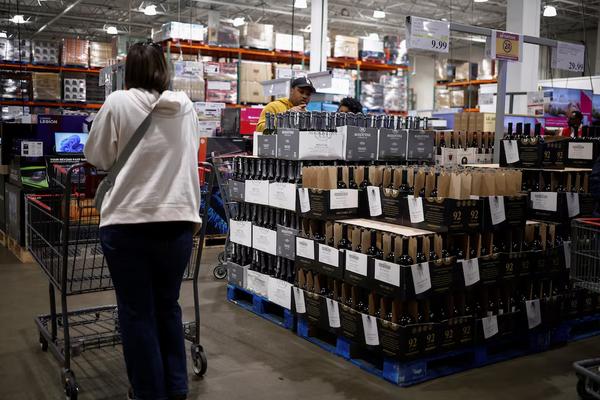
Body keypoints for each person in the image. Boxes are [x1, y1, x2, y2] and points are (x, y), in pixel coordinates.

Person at [84, 41, 200, 400]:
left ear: (127, 71)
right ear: (164, 69)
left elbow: (98, 156)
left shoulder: (119, 102)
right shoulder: (186, 107)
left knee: (136, 312)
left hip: (128, 222)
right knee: (168, 305)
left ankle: (149, 391)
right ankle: (176, 386)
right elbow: (190, 152)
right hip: (178, 219)